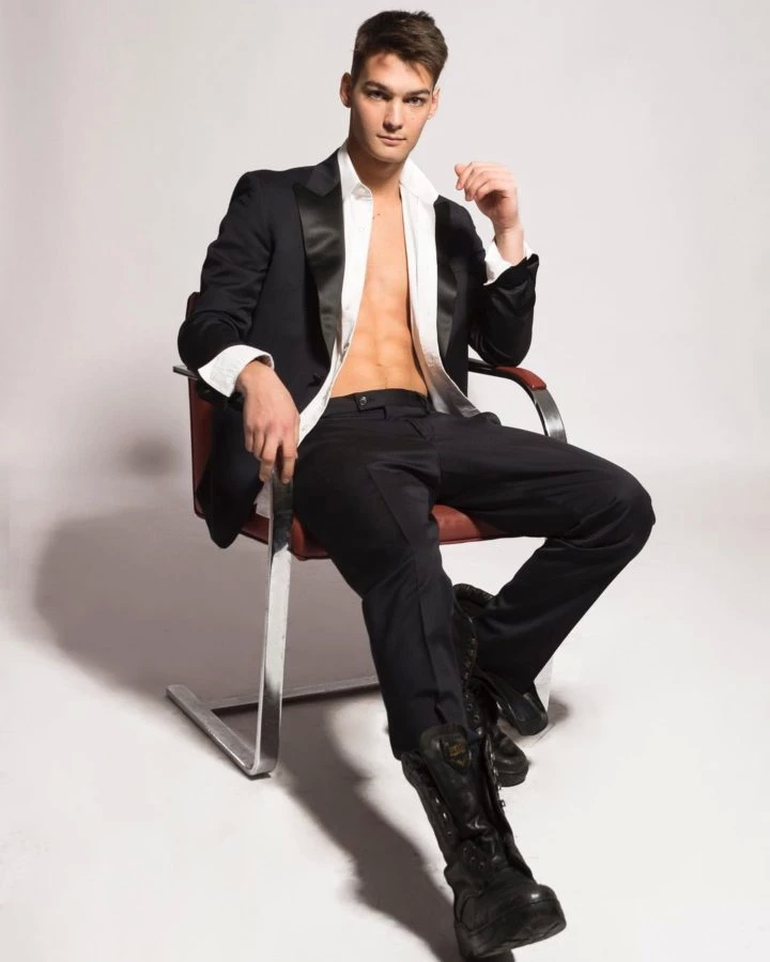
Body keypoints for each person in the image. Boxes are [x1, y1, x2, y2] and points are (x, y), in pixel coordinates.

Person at [177, 9, 656, 956]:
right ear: (347, 90)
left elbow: (499, 346)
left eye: (413, 99)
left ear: (434, 106)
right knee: (410, 568)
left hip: (436, 423)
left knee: (617, 504)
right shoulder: (273, 198)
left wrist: (508, 230)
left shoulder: (445, 219)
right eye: (377, 93)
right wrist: (256, 372)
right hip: (331, 437)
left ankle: (485, 656)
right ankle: (483, 867)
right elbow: (206, 321)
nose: (393, 117)